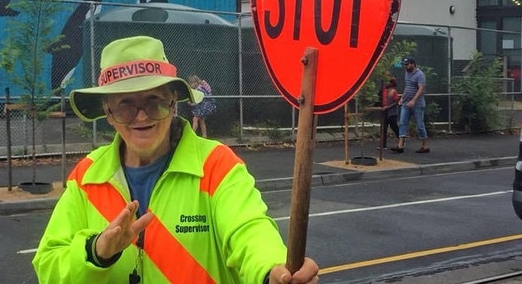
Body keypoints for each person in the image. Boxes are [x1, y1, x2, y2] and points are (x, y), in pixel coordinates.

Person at [32, 35, 320, 283]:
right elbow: (48, 267)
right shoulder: (86, 176)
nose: (141, 116)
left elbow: (249, 230)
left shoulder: (216, 165)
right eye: (125, 105)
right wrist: (96, 252)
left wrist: (271, 270)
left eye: (154, 101)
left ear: (173, 103)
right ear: (108, 114)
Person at [391, 57, 430, 153]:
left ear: (413, 64)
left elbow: (421, 89)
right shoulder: (406, 74)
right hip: (406, 103)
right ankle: (400, 146)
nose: (405, 66)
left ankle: (425, 146)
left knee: (420, 125)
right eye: (404, 64)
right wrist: (403, 98)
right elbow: (408, 87)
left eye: (407, 64)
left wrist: (413, 100)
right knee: (402, 123)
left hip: (417, 104)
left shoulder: (420, 75)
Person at [378, 73, 400, 150]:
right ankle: (383, 145)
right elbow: (379, 100)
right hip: (384, 112)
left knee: (394, 126)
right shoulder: (383, 91)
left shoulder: (393, 91)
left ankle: (401, 141)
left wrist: (388, 107)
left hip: (392, 112)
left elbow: (396, 102)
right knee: (384, 128)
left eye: (387, 82)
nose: (385, 83)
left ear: (391, 83)